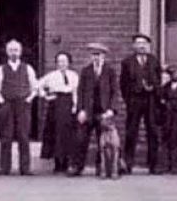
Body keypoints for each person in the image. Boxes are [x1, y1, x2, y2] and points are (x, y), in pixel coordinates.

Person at [71, 42, 120, 177]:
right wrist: (81, 110)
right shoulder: (86, 71)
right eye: (93, 54)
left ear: (103, 55)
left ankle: (102, 168)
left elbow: (115, 92)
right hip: (88, 111)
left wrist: (111, 109)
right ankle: (78, 167)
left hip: (104, 112)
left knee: (102, 141)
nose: (95, 57)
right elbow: (80, 91)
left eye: (98, 54)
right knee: (81, 139)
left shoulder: (110, 71)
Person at [0, 39, 38, 175]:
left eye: (16, 50)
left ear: (21, 52)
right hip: (7, 105)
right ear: (7, 52)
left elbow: (35, 87)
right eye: (11, 50)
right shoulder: (1, 69)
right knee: (6, 136)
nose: (14, 53)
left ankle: (25, 168)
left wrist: (28, 99)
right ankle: (5, 168)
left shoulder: (27, 68)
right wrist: (2, 101)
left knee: (24, 136)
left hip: (23, 105)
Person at [119, 33, 162, 174]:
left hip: (150, 101)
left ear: (148, 46)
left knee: (153, 132)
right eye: (138, 43)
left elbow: (158, 80)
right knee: (131, 132)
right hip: (134, 100)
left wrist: (153, 90)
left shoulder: (154, 61)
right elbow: (123, 84)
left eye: (144, 43)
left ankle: (153, 164)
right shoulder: (127, 62)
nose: (141, 46)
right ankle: (128, 163)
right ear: (134, 46)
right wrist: (129, 99)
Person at [39, 51, 79, 173]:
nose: (62, 64)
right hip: (56, 104)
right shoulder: (51, 76)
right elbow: (37, 85)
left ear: (69, 63)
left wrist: (75, 106)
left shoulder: (74, 75)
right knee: (56, 133)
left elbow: (75, 92)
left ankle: (67, 162)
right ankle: (57, 163)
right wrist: (45, 96)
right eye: (59, 61)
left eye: (64, 61)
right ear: (56, 63)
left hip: (69, 104)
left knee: (68, 133)